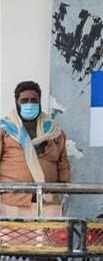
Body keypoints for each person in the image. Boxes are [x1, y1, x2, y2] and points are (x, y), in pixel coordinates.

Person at [0, 81, 70, 216]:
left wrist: (66, 194)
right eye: (24, 101)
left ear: (39, 102)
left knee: (49, 238)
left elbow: (63, 164)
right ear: (16, 102)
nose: (29, 104)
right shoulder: (5, 130)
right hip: (13, 203)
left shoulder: (54, 131)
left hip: (48, 203)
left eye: (33, 100)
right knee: (14, 238)